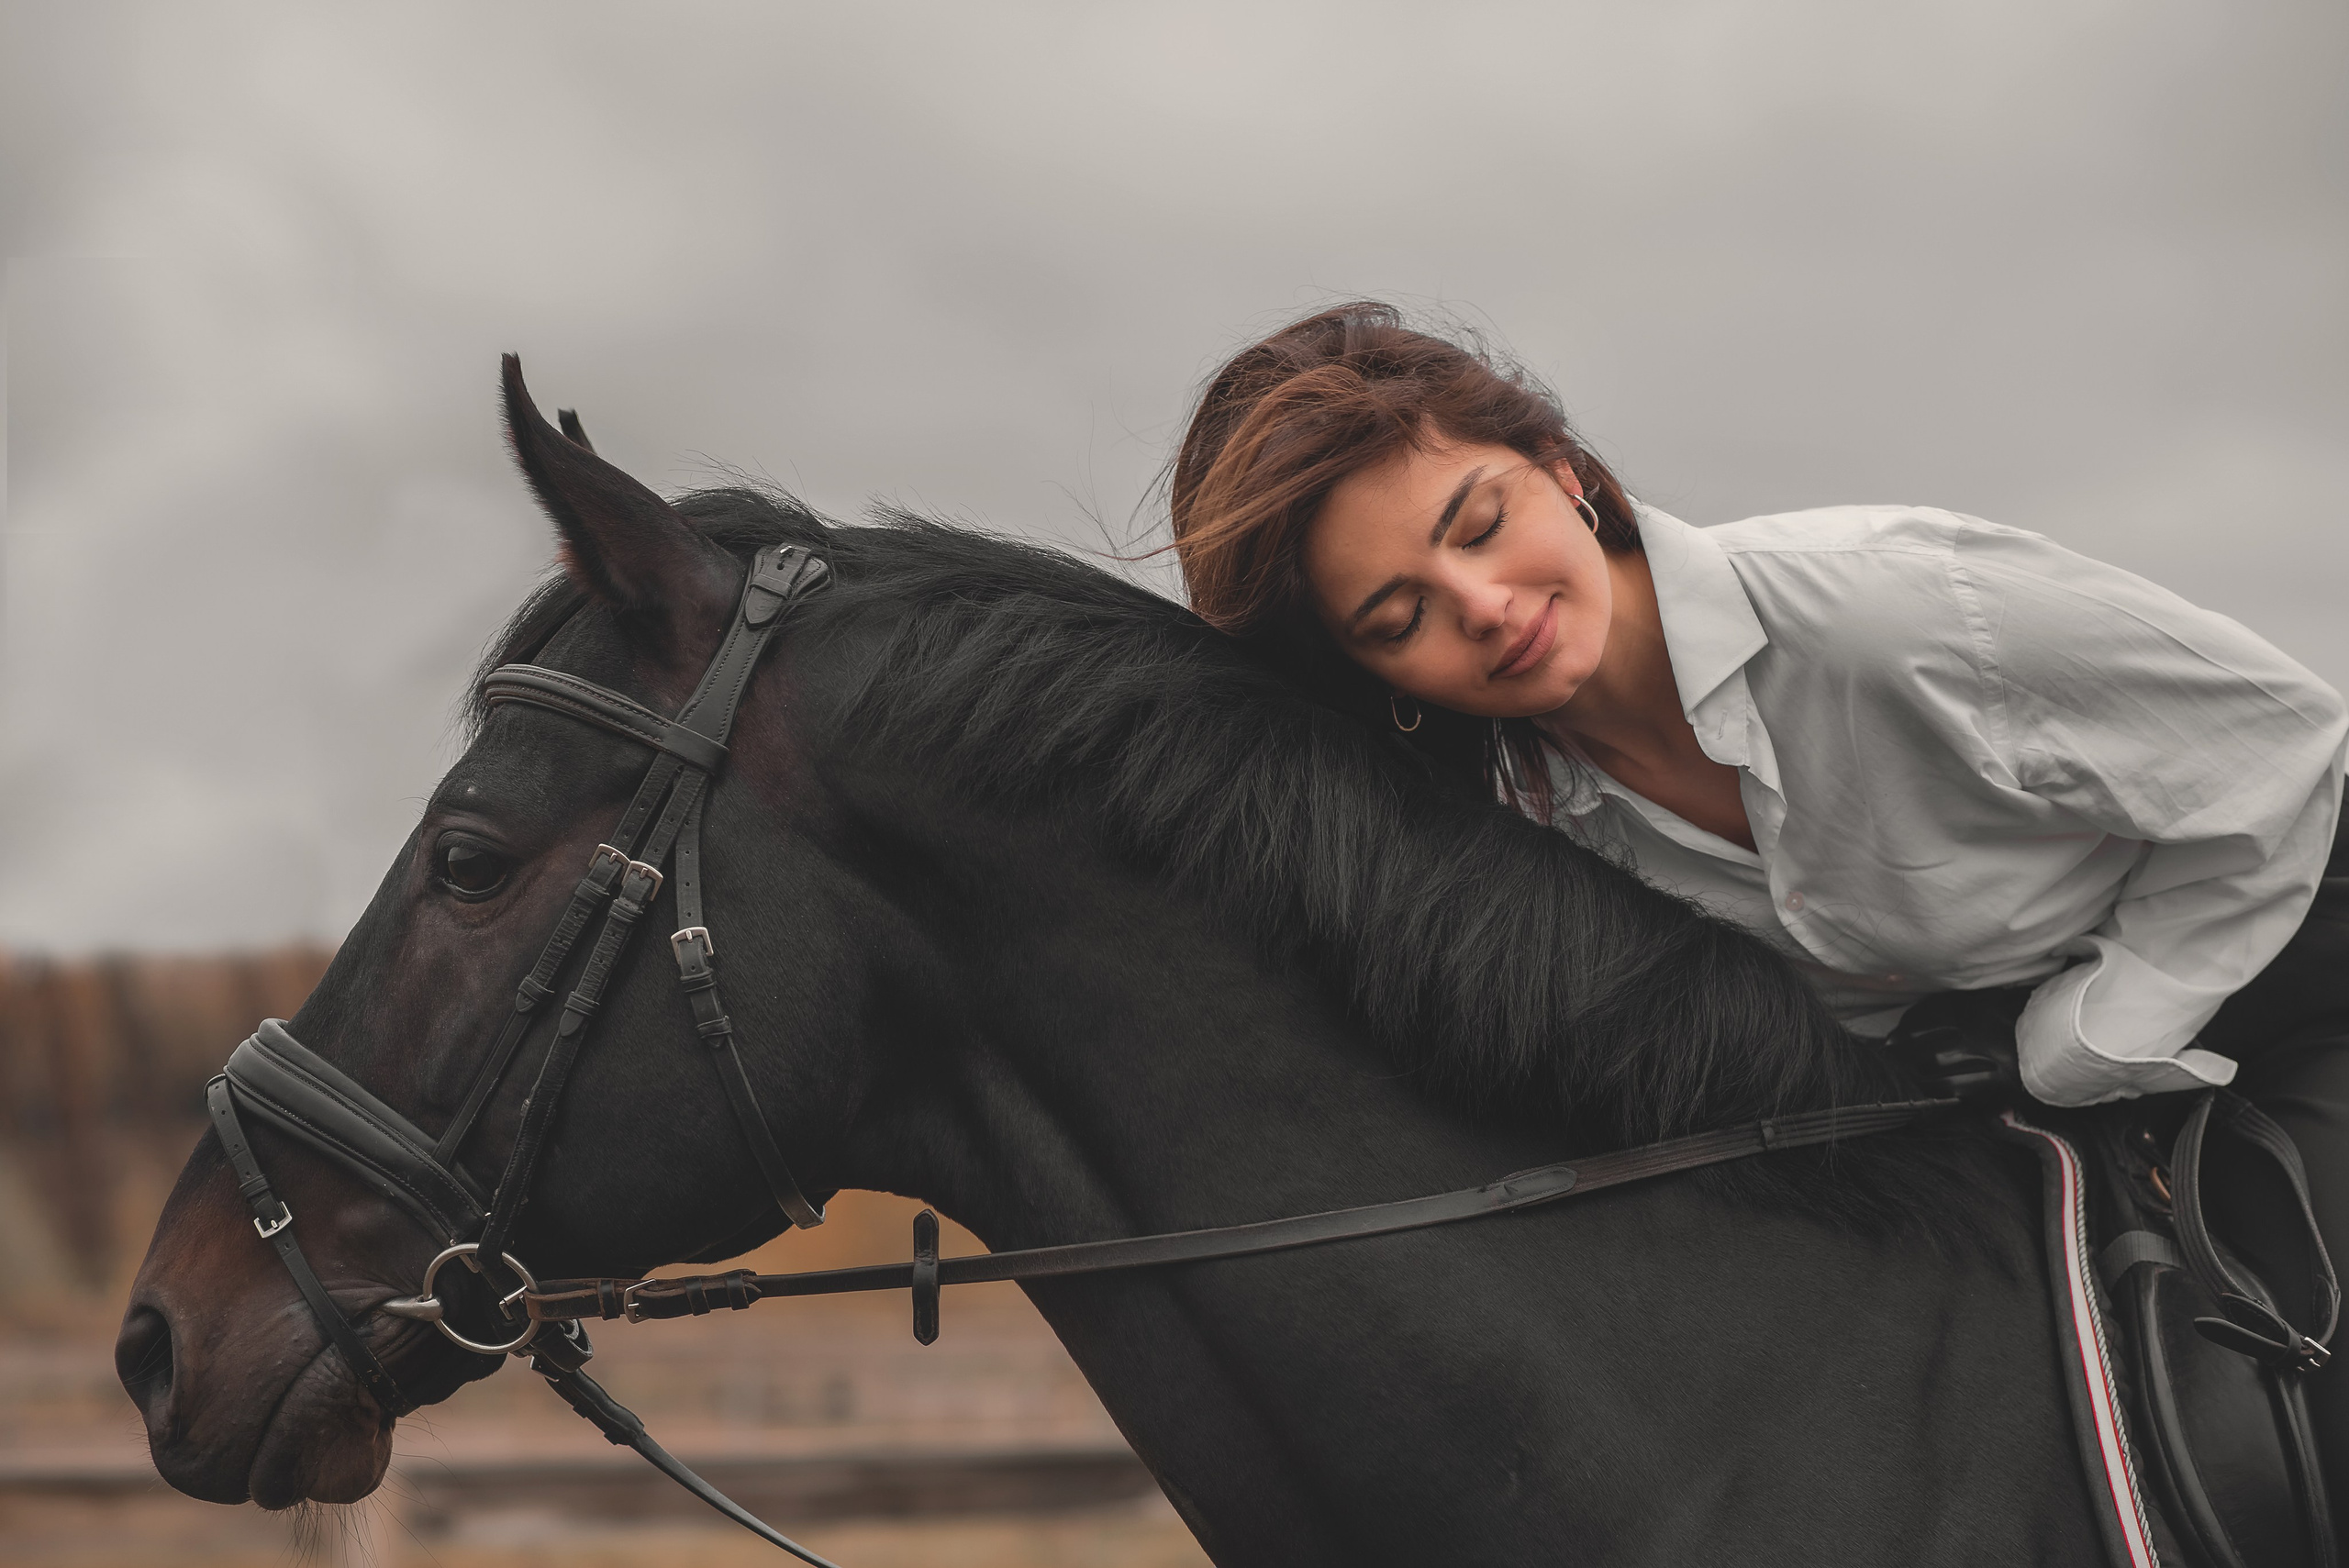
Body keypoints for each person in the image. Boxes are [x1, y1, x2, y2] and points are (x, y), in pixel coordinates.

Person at [1166, 300, 2349, 1489]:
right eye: (1399, 616)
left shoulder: (1889, 613)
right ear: (1379, 682)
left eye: (1481, 521)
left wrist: (2076, 1042)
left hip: (2291, 942)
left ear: (1565, 471)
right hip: (2003, 1076)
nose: (1478, 604)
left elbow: (2285, 749)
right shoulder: (1524, 833)